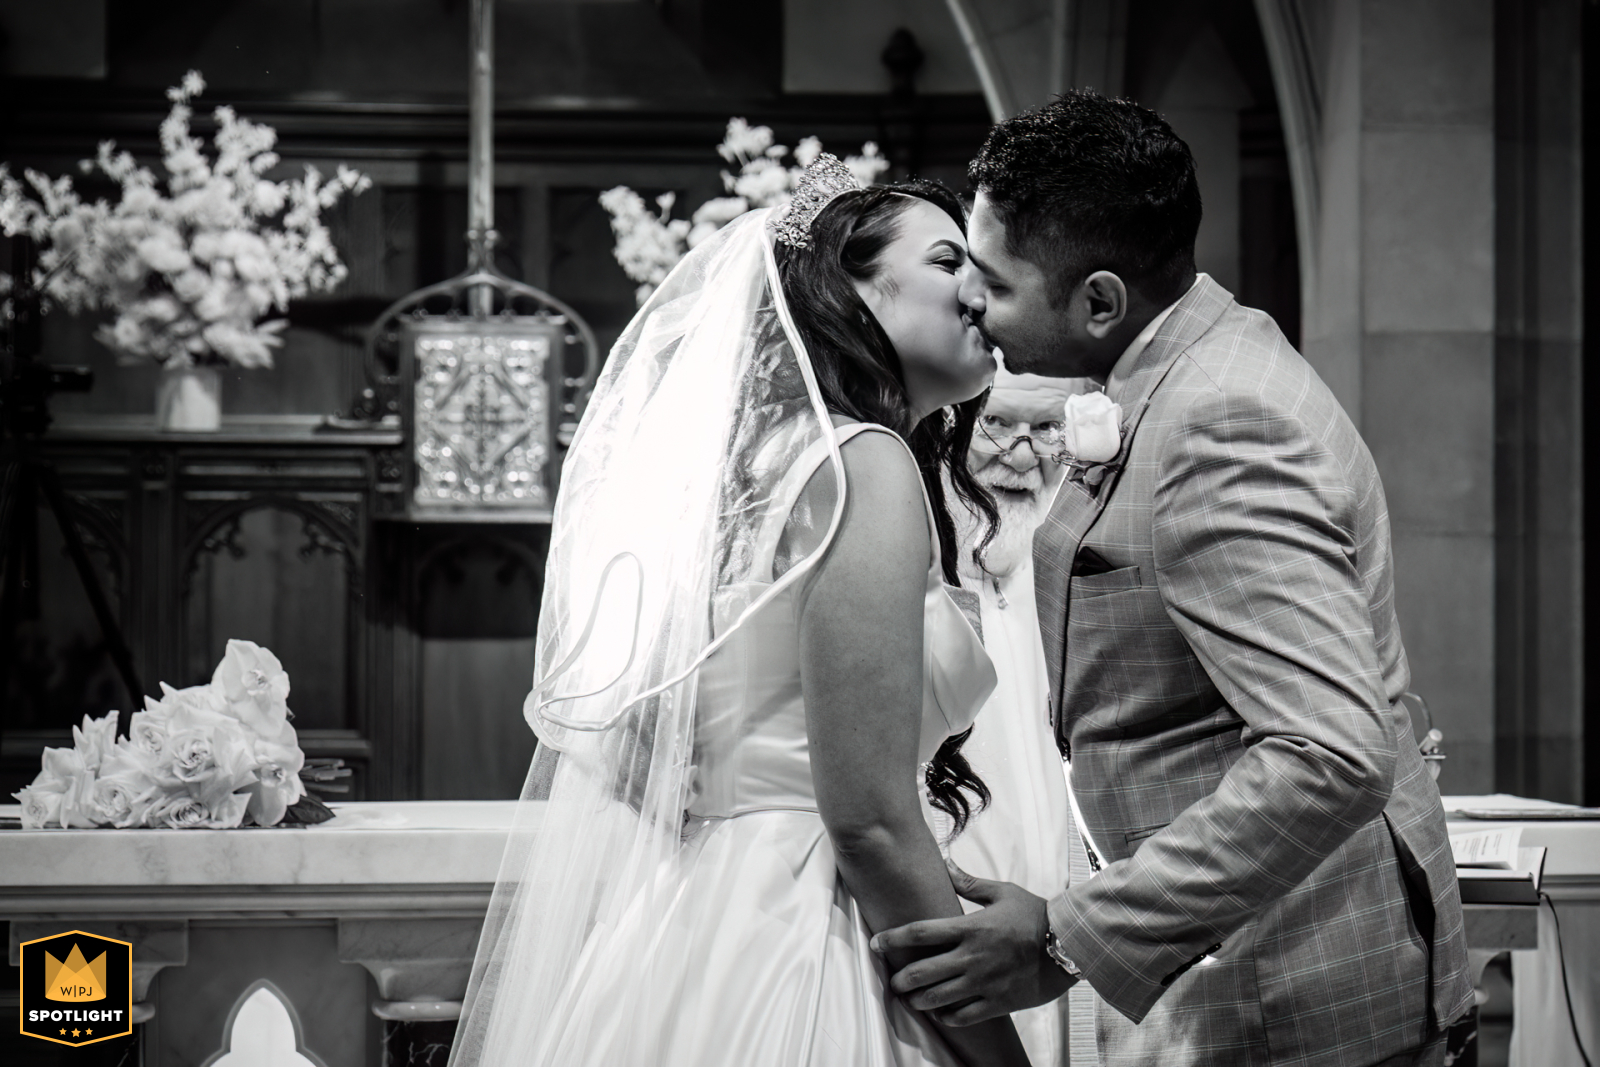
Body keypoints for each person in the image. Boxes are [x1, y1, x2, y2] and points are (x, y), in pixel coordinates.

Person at [874, 91, 1473, 1067]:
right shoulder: (1185, 362)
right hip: (1244, 963)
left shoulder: (1218, 417)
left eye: (993, 280)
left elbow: (1328, 754)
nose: (968, 302)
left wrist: (1068, 937)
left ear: (1099, 300)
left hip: (1302, 996)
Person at [450, 158, 1032, 1067]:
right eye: (949, 261)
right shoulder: (864, 466)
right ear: (855, 290)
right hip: (808, 943)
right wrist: (999, 1055)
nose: (982, 292)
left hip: (694, 922)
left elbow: (658, 744)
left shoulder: (760, 470)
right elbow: (872, 823)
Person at [941, 368, 1097, 1067]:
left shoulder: (1074, 550)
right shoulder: (911, 542)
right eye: (999, 425)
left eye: (1046, 430)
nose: (1025, 455)